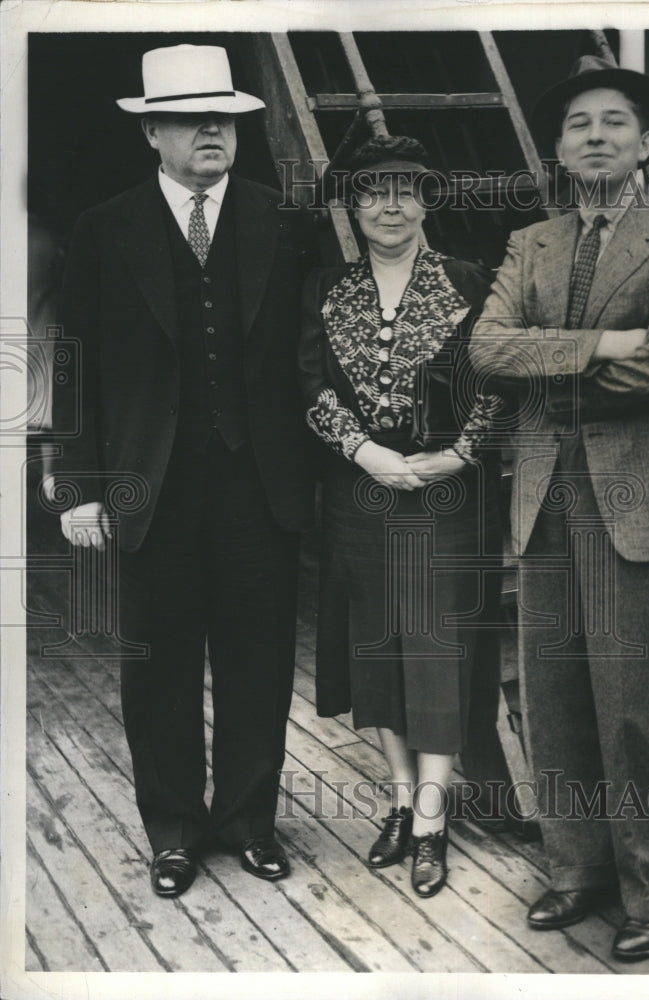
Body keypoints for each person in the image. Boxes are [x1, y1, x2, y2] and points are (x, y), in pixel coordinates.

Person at [469, 56, 649, 960]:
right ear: (558, 147)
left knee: (643, 703)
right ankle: (577, 869)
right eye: (578, 124)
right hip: (544, 496)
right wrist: (600, 343)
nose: (596, 136)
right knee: (557, 694)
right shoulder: (530, 243)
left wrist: (553, 364)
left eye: (615, 122)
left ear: (645, 142)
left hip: (642, 499)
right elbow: (486, 349)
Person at [53, 44, 316, 897]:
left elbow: (311, 361)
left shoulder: (282, 220)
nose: (213, 129)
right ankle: (172, 830)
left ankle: (248, 820)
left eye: (226, 117)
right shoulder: (106, 226)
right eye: (192, 118)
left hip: (257, 482)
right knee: (157, 666)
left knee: (259, 658)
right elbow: (75, 362)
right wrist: (79, 485)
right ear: (153, 134)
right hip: (148, 483)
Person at [298, 136, 507, 898]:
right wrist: (362, 451)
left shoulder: (469, 281)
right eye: (374, 191)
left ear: (425, 202)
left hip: (449, 491)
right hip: (362, 491)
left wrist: (460, 452)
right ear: (353, 206)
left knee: (437, 649)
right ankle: (396, 796)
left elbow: (498, 379)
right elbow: (310, 385)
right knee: (378, 648)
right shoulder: (324, 287)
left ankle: (430, 819)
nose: (391, 204)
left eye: (406, 190)